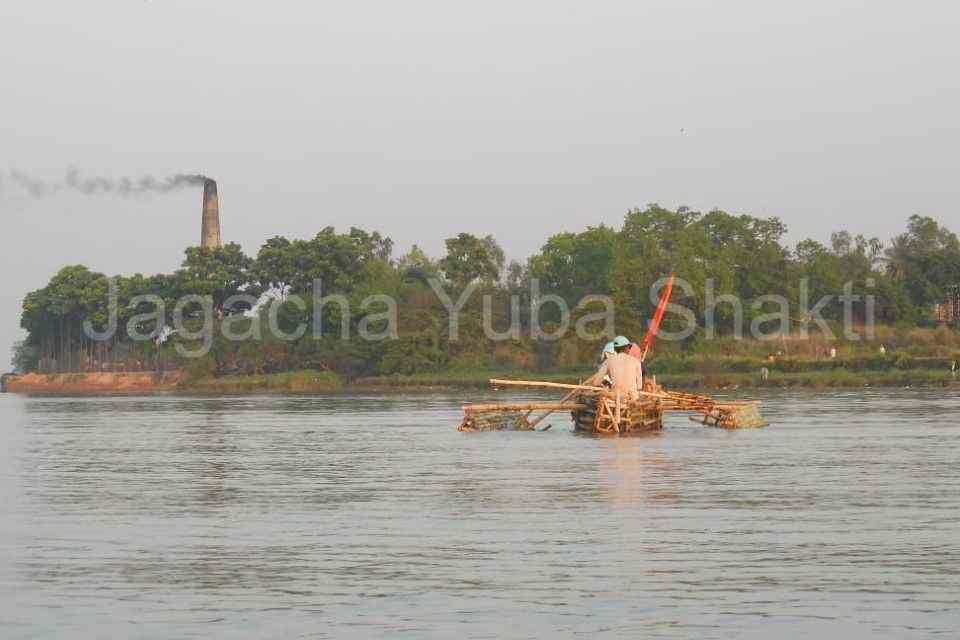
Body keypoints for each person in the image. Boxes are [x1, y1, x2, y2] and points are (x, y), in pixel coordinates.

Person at [595, 335, 644, 400]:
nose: (630, 349)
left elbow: (596, 382)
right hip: (632, 398)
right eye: (629, 347)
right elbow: (639, 386)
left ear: (615, 349)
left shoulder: (608, 361)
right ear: (627, 347)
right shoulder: (636, 361)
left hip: (615, 397)